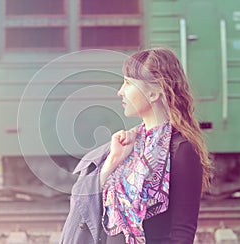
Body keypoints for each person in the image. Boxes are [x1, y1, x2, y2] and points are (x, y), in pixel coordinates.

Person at [60, 48, 212, 244]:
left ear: (154, 92)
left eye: (128, 83)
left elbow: (183, 229)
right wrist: (113, 161)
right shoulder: (127, 143)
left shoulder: (182, 148)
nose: (120, 91)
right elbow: (88, 206)